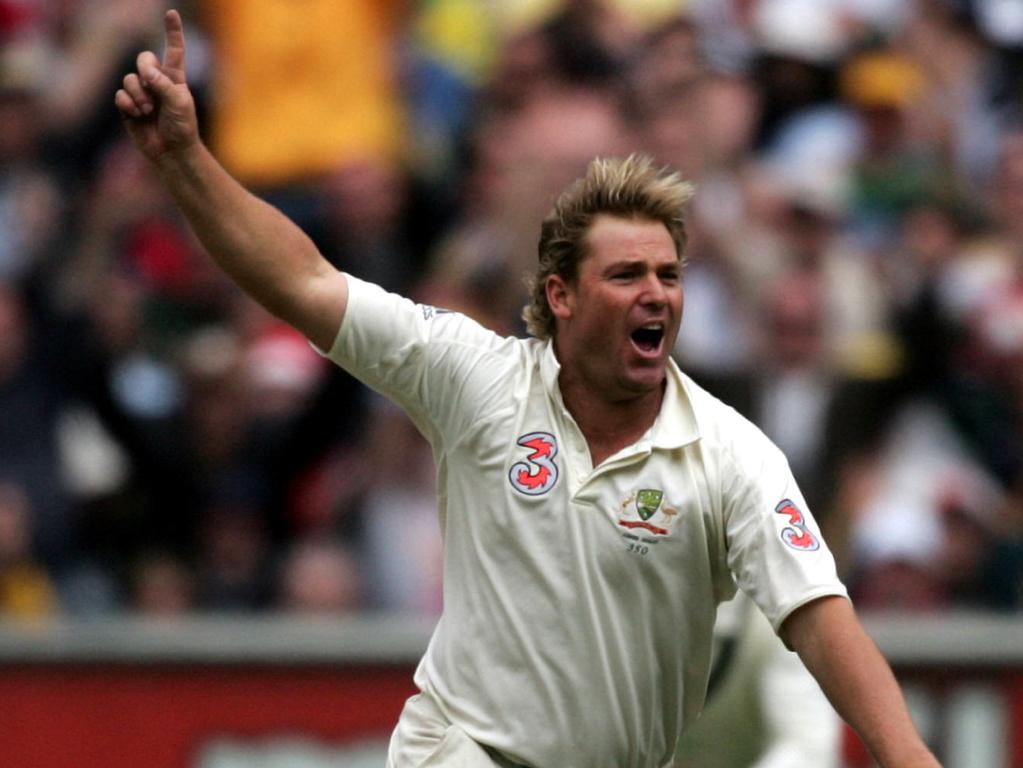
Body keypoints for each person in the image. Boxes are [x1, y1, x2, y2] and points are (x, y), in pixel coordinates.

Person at [114, 11, 941, 768]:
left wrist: (911, 760)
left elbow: (823, 622)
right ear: (561, 296)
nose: (655, 293)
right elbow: (304, 281)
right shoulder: (474, 377)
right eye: (625, 274)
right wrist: (187, 161)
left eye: (667, 274)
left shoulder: (729, 455)